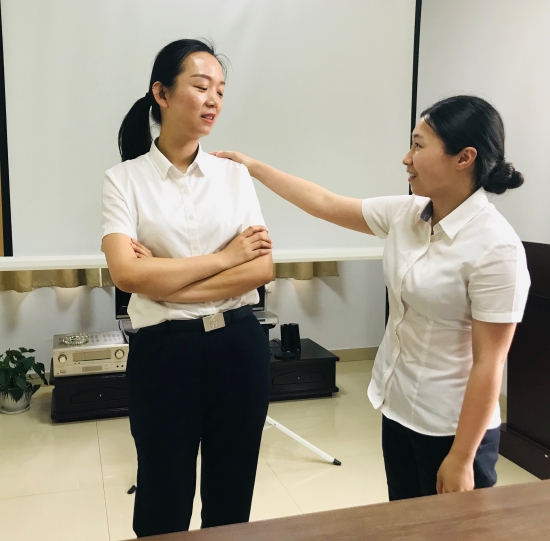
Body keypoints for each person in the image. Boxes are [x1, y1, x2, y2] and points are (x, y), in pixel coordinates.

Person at [212, 95, 530, 500]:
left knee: (452, 528)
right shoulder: (407, 213)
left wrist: (463, 456)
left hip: (451, 427)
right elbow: (324, 203)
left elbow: (490, 362)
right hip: (397, 407)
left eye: (418, 145)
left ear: (464, 158)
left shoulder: (496, 248)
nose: (406, 158)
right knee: (403, 520)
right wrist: (252, 166)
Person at [101, 39, 273, 537]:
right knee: (163, 495)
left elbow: (261, 269)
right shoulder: (123, 180)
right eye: (200, 87)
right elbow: (128, 276)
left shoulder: (234, 176)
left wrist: (165, 278)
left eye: (220, 90)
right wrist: (226, 257)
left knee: (232, 495)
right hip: (165, 354)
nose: (213, 99)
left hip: (239, 345)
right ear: (162, 93)